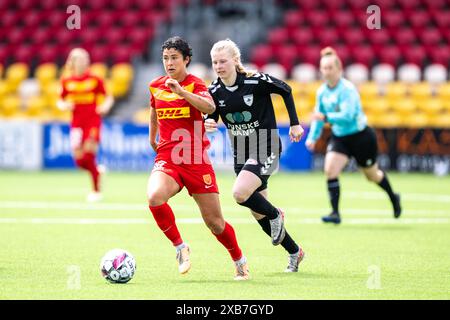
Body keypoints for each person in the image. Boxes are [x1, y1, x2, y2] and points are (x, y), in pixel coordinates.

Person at [147, 36, 249, 280]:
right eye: (165, 58)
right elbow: (154, 109)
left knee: (215, 223)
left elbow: (210, 108)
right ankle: (180, 247)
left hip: (195, 161)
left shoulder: (195, 84)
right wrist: (153, 138)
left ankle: (239, 260)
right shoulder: (155, 85)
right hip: (168, 158)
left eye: (174, 58)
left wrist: (181, 92)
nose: (169, 63)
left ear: (186, 60)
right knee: (154, 197)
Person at [205, 39, 305, 272]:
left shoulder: (254, 80)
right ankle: (294, 252)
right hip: (241, 151)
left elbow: (286, 90)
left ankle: (276, 213)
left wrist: (294, 124)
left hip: (266, 144)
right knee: (258, 212)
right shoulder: (214, 90)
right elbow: (213, 115)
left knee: (240, 193)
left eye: (223, 61)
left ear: (235, 61)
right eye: (214, 62)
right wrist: (209, 122)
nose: (218, 66)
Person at [305, 47, 402, 224]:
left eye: (329, 68)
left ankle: (393, 197)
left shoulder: (348, 89)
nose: (326, 72)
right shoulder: (322, 92)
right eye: (323, 68)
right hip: (340, 137)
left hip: (361, 137)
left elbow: (347, 116)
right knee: (330, 170)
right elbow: (318, 117)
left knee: (372, 176)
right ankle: (335, 213)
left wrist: (326, 117)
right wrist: (312, 137)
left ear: (339, 69)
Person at [58, 48, 114, 202]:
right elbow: (60, 99)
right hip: (76, 123)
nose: (84, 62)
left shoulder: (95, 78)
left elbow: (108, 97)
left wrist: (105, 106)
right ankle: (97, 171)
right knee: (79, 161)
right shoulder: (66, 80)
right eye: (80, 59)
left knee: (89, 155)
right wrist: (63, 105)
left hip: (92, 121)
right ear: (73, 62)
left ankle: (96, 191)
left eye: (86, 59)